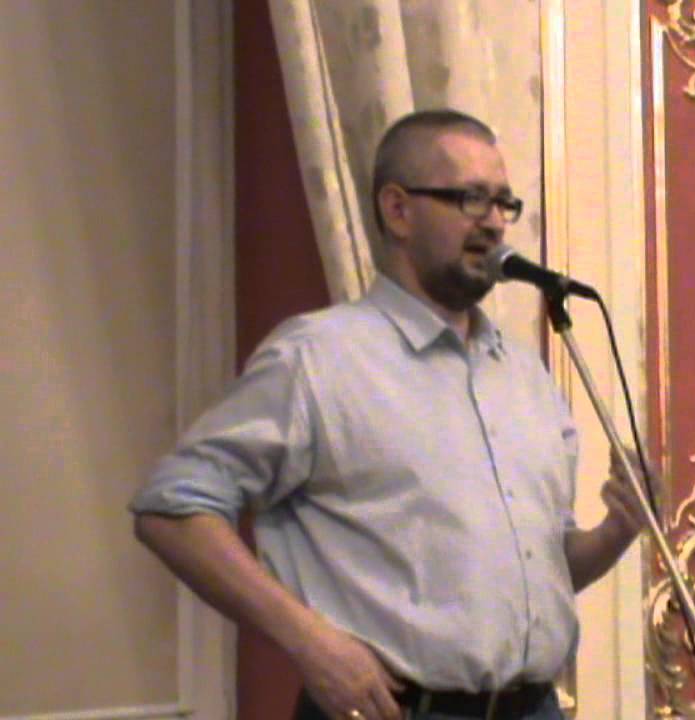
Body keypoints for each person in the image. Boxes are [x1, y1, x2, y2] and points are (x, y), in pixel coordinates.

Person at [131, 109, 646, 720]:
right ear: (398, 210)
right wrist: (309, 641)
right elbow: (172, 509)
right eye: (470, 199)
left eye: (503, 203)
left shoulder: (524, 375)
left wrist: (615, 533)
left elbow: (541, 574)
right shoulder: (318, 358)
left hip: (534, 708)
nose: (494, 223)